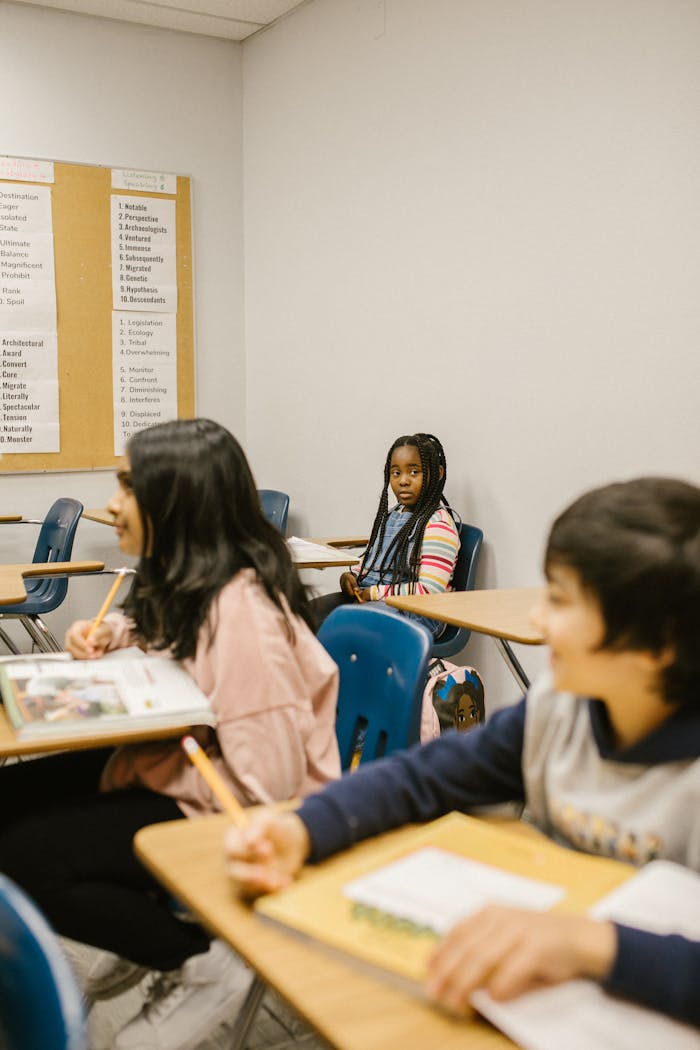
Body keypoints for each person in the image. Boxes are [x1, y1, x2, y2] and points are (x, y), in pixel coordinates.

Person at [226, 476, 700, 1029]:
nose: (539, 621)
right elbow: (426, 777)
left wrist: (596, 945)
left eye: (562, 602)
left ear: (660, 643)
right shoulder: (559, 711)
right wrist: (305, 828)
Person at [0, 418, 341, 1050]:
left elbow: (267, 786)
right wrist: (113, 636)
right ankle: (149, 929)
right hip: (174, 765)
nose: (111, 502)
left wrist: (143, 751)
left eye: (128, 485)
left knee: (28, 856)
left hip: (234, 812)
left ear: (176, 500)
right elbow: (167, 639)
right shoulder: (190, 581)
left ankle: (198, 956)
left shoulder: (242, 612)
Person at [312, 432, 460, 637]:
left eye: (414, 472)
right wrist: (352, 576)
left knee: (346, 628)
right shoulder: (391, 515)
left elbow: (429, 591)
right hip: (374, 599)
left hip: (418, 611)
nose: (403, 481)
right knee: (303, 616)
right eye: (396, 473)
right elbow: (374, 559)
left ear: (438, 473)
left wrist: (374, 593)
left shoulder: (438, 524)